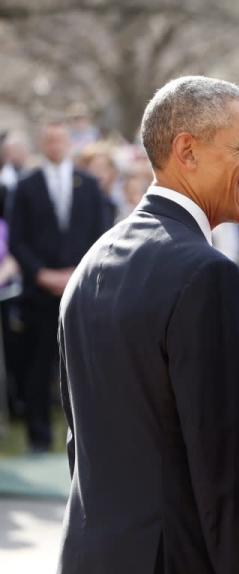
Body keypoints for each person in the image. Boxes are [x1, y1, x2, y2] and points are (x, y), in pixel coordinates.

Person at [52, 76, 239, 574]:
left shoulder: (90, 265)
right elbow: (226, 471)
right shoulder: (207, 274)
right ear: (187, 150)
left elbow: (79, 447)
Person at [8, 120, 111, 453]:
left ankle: (86, 439)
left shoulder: (89, 185)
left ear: (68, 143)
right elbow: (17, 238)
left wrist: (77, 272)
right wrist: (41, 274)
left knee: (81, 367)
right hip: (39, 292)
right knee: (38, 366)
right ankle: (39, 436)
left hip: (80, 288)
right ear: (42, 144)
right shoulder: (26, 185)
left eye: (60, 140)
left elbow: (102, 233)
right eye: (49, 140)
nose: (55, 146)